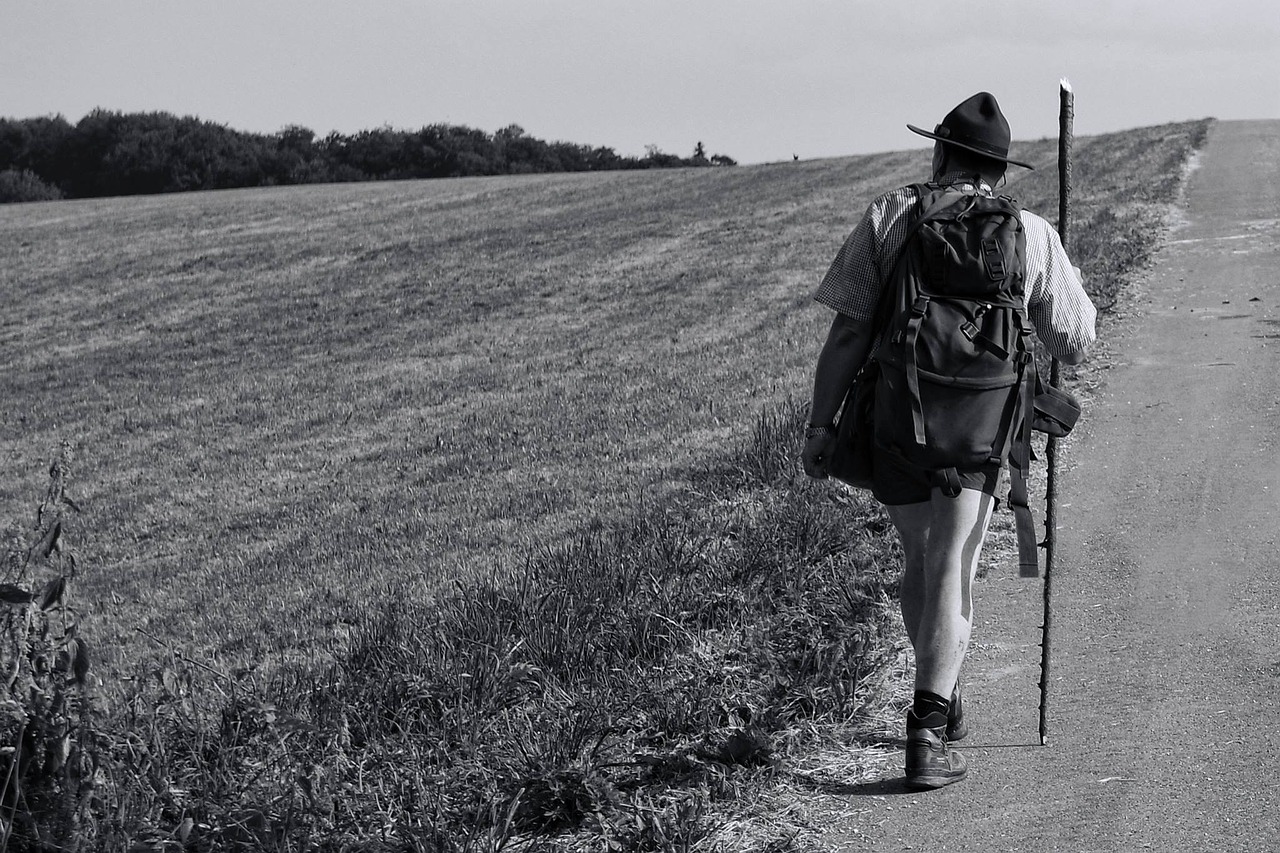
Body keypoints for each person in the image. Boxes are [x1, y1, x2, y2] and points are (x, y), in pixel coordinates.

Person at [801, 92, 1097, 789]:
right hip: (985, 428)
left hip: (899, 418)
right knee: (953, 564)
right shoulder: (1028, 231)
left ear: (938, 152)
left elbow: (847, 330)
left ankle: (943, 688)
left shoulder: (891, 215)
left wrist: (821, 424)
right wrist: (1062, 288)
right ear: (998, 169)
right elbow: (1077, 341)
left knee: (920, 557)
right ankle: (929, 731)